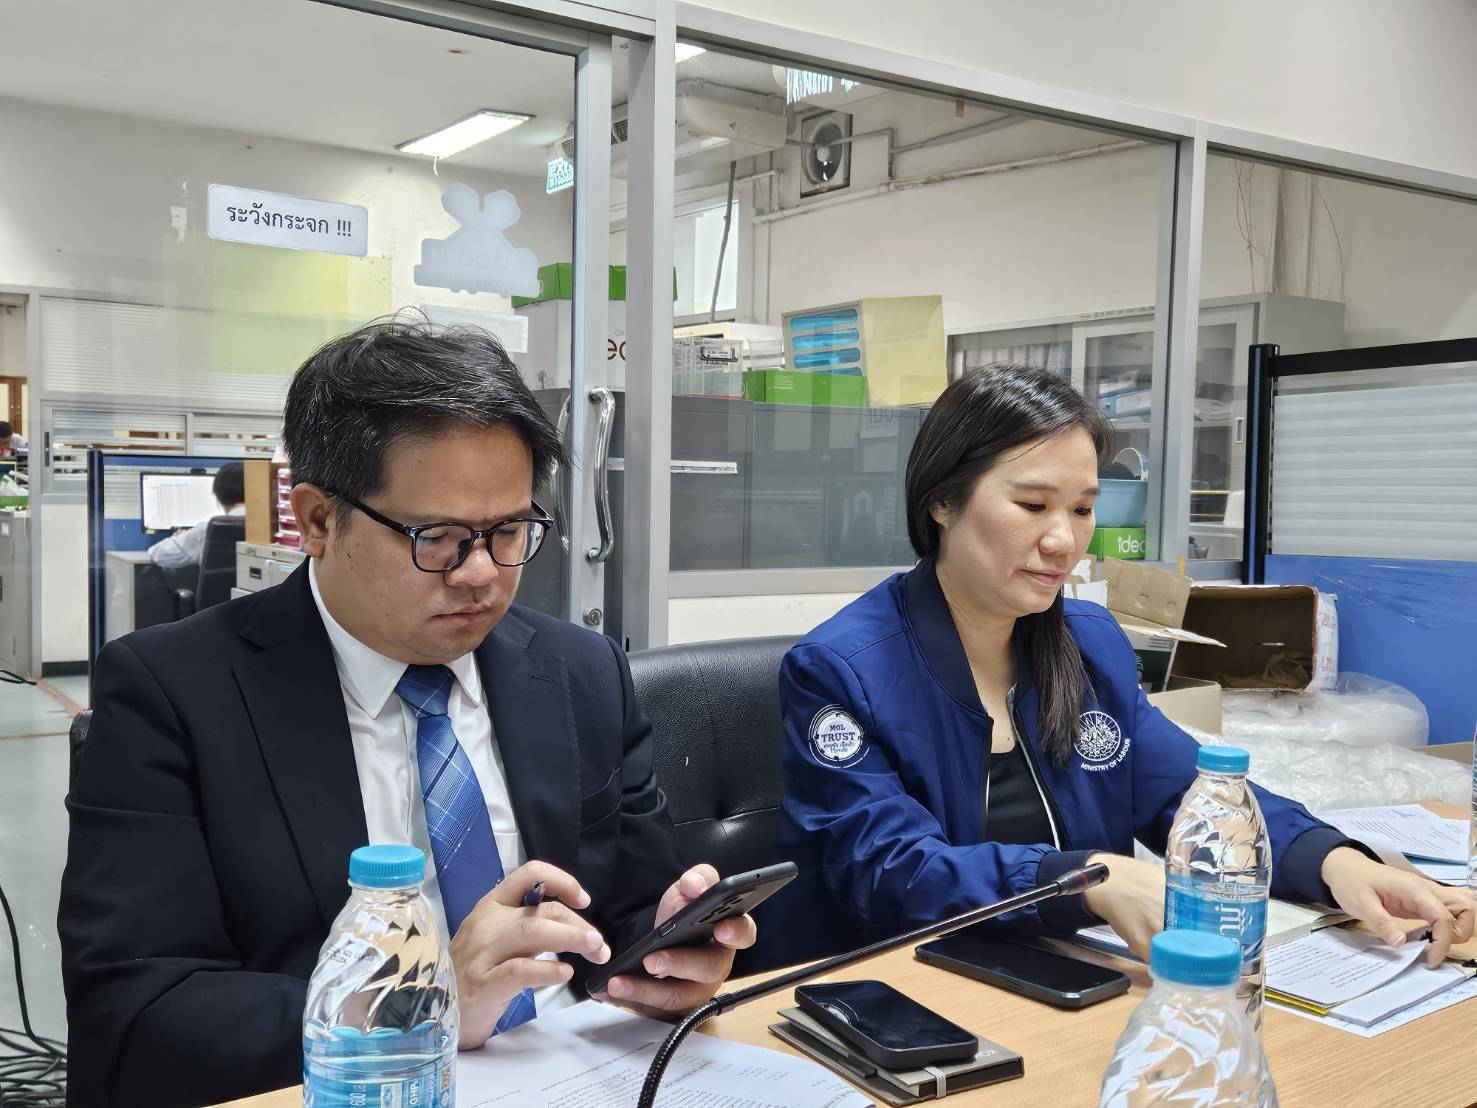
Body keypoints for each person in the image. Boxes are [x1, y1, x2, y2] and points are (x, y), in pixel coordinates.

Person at [60, 319, 757, 1107]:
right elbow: (137, 1006)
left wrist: (665, 951)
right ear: (317, 521)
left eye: (509, 530)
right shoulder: (172, 693)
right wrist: (419, 1003)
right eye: (438, 537)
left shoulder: (579, 672)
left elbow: (623, 913)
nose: (481, 575)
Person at [763, 365, 1474, 968]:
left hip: (1076, 974)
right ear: (942, 500)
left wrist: (1333, 861)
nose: (1063, 540)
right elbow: (888, 872)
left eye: (1082, 509)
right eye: (1032, 504)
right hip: (912, 986)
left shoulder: (1086, 642)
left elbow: (1186, 796)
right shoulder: (841, 670)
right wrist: (1084, 880)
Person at [146, 461, 246, 570]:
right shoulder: (261, 526)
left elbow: (157, 554)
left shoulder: (206, 531)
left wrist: (179, 538)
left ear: (217, 495)